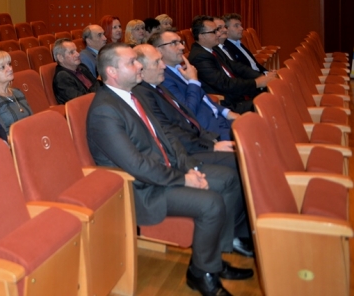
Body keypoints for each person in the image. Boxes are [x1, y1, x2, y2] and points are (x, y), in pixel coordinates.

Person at [86, 43, 253, 296]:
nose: (139, 65)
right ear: (112, 72)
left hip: (164, 172)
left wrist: (188, 168)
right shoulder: (104, 111)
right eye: (132, 62)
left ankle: (211, 261)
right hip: (141, 189)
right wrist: (183, 179)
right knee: (211, 203)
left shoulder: (134, 95)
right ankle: (202, 273)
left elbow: (168, 139)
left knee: (229, 179)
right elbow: (136, 165)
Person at [133, 44, 238, 165]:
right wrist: (212, 145)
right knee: (240, 159)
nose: (163, 66)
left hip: (203, 136)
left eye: (161, 60)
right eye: (157, 62)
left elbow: (186, 116)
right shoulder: (144, 95)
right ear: (141, 70)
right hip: (188, 150)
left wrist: (212, 139)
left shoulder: (158, 85)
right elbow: (172, 131)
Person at [153, 30, 238, 141]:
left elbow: (204, 98)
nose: (182, 47)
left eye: (180, 42)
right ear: (159, 50)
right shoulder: (163, 79)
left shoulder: (181, 68)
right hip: (210, 133)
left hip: (221, 119)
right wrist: (193, 80)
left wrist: (227, 113)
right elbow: (188, 112)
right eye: (174, 43)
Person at [188, 16, 275, 113]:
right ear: (202, 36)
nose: (218, 34)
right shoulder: (199, 57)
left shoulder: (214, 48)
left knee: (274, 92)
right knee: (269, 103)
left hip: (237, 92)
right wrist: (256, 83)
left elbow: (237, 66)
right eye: (214, 31)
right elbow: (224, 84)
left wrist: (262, 76)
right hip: (227, 102)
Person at [52, 38, 99, 104]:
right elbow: (82, 101)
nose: (78, 54)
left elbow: (96, 84)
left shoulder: (82, 67)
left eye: (76, 50)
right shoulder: (62, 77)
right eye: (72, 52)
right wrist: (99, 86)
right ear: (60, 58)